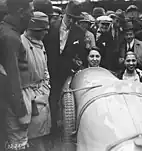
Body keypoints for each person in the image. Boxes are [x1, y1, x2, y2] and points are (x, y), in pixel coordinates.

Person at [43, 0, 86, 137]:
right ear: (64, 15)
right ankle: (50, 128)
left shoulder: (79, 32)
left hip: (66, 71)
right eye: (70, 18)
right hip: (49, 69)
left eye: (75, 19)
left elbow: (80, 54)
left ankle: (60, 127)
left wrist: (75, 64)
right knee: (49, 99)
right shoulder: (51, 27)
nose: (71, 21)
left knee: (64, 100)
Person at [0, 0, 34, 150]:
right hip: (13, 106)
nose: (32, 15)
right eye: (31, 11)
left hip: (9, 101)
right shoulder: (10, 37)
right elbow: (13, 77)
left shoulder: (7, 31)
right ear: (21, 12)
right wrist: (21, 111)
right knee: (17, 144)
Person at [20, 11, 51, 151]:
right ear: (35, 30)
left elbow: (45, 70)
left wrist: (45, 89)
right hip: (27, 97)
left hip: (42, 94)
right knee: (31, 140)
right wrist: (32, 96)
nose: (46, 33)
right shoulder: (21, 43)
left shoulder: (41, 43)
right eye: (43, 30)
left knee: (41, 135)